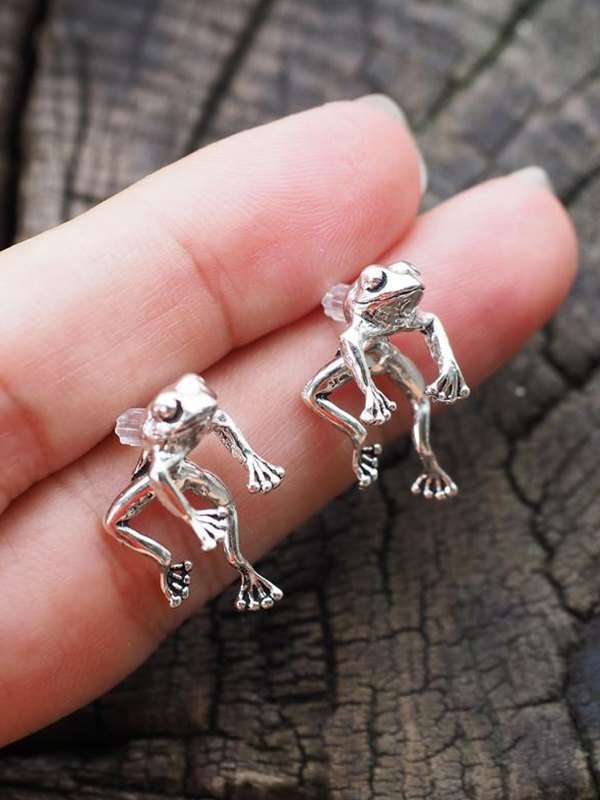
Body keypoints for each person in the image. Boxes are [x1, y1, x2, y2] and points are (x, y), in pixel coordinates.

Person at [0, 95, 577, 745]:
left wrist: (255, 459)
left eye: (403, 281)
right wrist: (193, 518)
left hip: (335, 387)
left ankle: (405, 474)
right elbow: (165, 476)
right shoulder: (182, 433)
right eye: (382, 283)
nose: (199, 407)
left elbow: (234, 424)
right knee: (133, 518)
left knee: (397, 410)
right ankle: (201, 562)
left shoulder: (222, 407)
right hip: (169, 473)